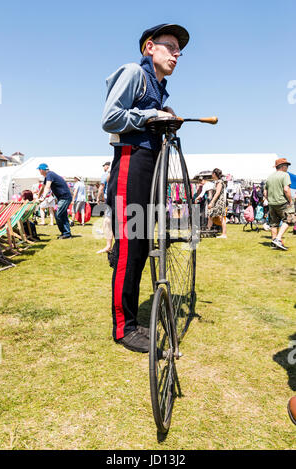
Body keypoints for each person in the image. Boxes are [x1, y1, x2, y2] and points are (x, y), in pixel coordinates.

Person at [102, 23, 189, 353]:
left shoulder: (159, 88)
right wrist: (152, 115)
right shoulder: (133, 72)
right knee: (131, 247)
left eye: (180, 50)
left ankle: (123, 262)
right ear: (149, 47)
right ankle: (124, 328)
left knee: (138, 244)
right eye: (170, 47)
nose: (177, 54)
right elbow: (110, 118)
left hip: (152, 165)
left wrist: (164, 116)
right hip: (132, 162)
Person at [264, 157, 295, 250]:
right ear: (282, 166)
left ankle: (274, 242)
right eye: (287, 166)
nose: (287, 168)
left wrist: (269, 200)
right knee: (290, 219)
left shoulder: (270, 177)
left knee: (274, 223)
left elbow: (265, 191)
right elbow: (286, 189)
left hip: (272, 203)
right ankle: (278, 239)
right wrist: (290, 200)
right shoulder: (285, 175)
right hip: (282, 202)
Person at [37, 163, 72, 239]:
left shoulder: (50, 174)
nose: (39, 172)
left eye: (39, 170)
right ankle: (66, 233)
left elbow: (47, 187)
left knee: (58, 214)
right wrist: (38, 197)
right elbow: (42, 188)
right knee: (63, 215)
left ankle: (66, 233)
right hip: (62, 198)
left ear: (42, 170)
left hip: (65, 197)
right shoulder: (47, 176)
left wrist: (43, 197)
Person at [207, 168, 227, 238]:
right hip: (217, 201)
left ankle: (224, 234)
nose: (211, 175)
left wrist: (212, 202)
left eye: (212, 173)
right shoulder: (217, 182)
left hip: (219, 202)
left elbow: (217, 193)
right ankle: (208, 230)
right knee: (210, 215)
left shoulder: (219, 182)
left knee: (221, 217)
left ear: (214, 174)